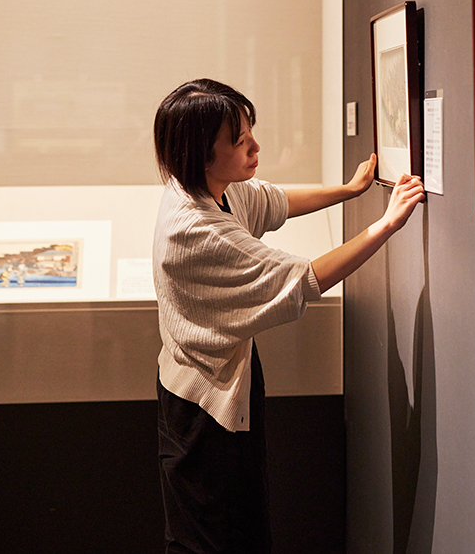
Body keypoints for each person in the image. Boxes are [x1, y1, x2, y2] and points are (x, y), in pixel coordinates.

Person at [151, 78, 424, 553]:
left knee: (232, 530)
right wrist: (386, 224)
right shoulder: (195, 231)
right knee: (215, 538)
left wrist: (350, 190)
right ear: (201, 154)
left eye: (249, 130)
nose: (256, 146)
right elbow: (305, 280)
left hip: (211, 386)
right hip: (203, 409)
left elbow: (272, 200)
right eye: (239, 141)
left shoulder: (207, 186)